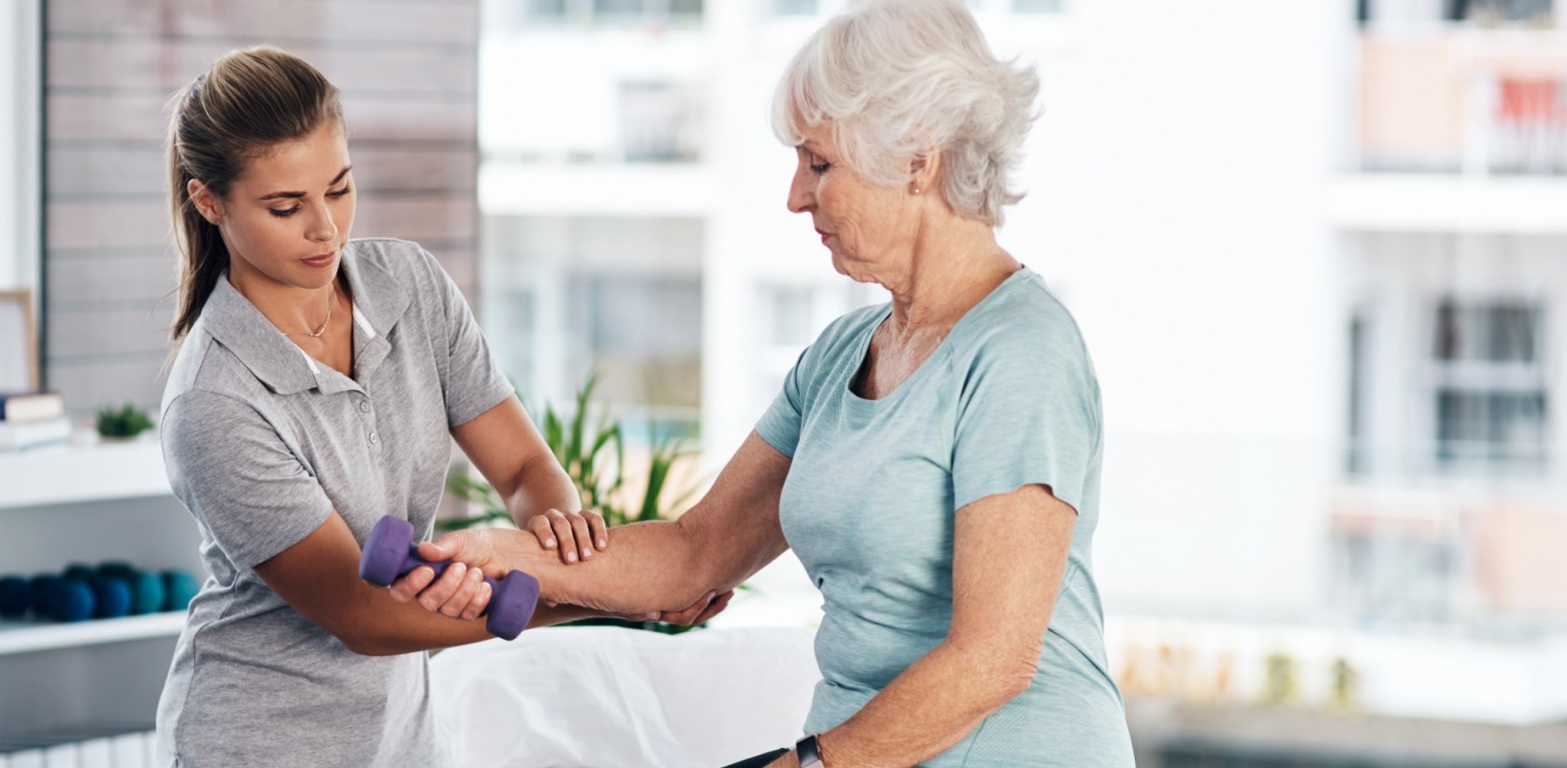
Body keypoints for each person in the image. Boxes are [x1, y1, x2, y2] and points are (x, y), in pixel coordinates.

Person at [399, 1, 1134, 764]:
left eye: (820, 164)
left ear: (919, 160)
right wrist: (504, 553)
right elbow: (695, 555)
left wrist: (806, 764)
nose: (795, 196)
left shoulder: (1021, 352)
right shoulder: (841, 353)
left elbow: (993, 659)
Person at [152, 46, 641, 766]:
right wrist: (615, 595)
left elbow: (523, 469)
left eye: (339, 188)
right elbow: (365, 617)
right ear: (209, 202)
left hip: (406, 741)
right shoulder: (212, 402)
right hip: (257, 742)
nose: (325, 228)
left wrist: (556, 538)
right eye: (286, 207)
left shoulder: (409, 284)